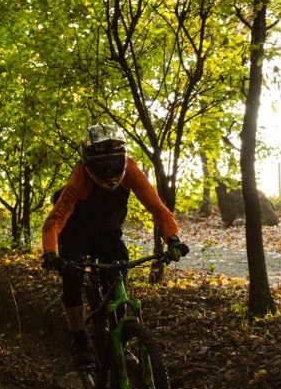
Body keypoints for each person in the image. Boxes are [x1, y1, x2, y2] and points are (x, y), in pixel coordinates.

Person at [40, 124, 187, 366]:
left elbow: (158, 209)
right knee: (72, 278)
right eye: (101, 160)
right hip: (75, 233)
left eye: (113, 159)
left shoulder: (130, 169)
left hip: (108, 233)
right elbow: (55, 221)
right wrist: (51, 253)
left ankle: (117, 337)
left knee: (117, 274)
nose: (108, 168)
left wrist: (172, 239)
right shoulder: (79, 178)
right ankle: (79, 340)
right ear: (88, 160)